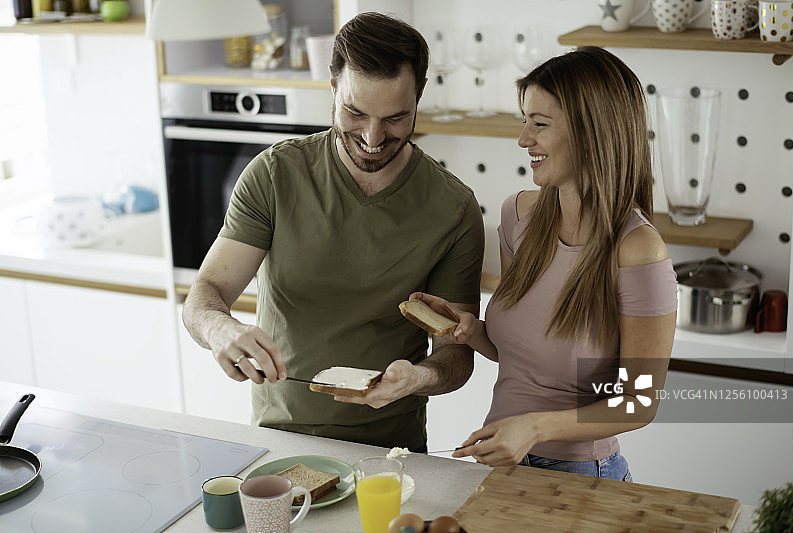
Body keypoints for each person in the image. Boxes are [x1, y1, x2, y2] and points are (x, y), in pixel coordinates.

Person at [182, 12, 484, 451]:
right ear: (332, 83)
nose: (373, 137)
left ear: (419, 95)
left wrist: (420, 376)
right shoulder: (274, 176)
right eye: (354, 112)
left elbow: (456, 354)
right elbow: (204, 295)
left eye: (396, 118)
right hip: (277, 436)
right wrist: (220, 330)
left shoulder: (453, 208)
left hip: (391, 448)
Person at [414, 46, 677, 480]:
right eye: (524, 121)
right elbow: (522, 356)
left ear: (592, 131)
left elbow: (639, 401)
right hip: (503, 464)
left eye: (540, 124)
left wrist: (536, 428)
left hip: (582, 474)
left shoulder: (638, 251)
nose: (523, 139)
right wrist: (471, 330)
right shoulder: (519, 216)